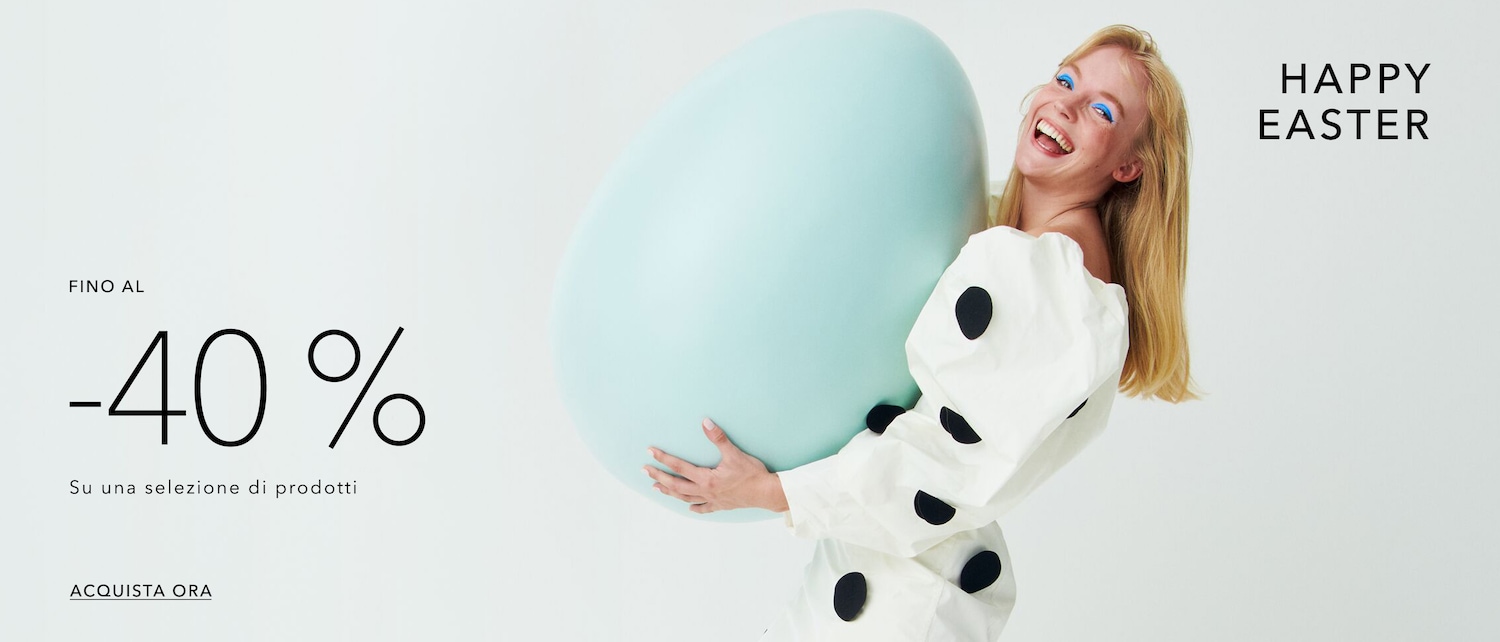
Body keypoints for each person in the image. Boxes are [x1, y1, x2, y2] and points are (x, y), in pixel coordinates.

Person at [643, 24, 1199, 640]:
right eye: (1065, 80)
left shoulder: (1054, 279)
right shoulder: (1003, 228)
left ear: (1129, 165)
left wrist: (776, 491)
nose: (1065, 104)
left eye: (1101, 110)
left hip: (908, 600)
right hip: (876, 572)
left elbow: (950, 464)